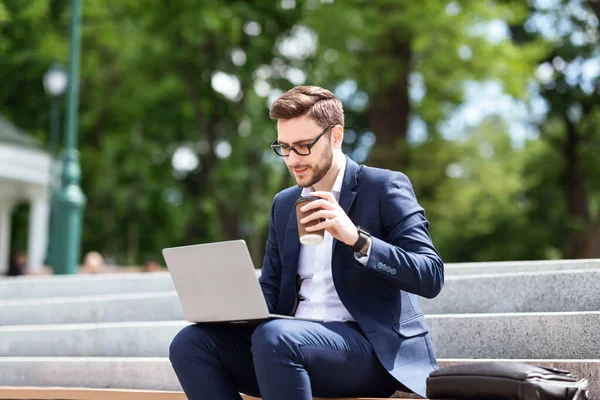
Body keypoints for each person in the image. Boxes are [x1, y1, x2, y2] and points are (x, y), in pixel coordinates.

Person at [169, 86, 444, 400]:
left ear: (335, 136)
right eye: (284, 147)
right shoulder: (284, 204)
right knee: (190, 343)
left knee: (276, 337)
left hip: (371, 350)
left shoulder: (383, 187)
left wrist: (356, 238)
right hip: (288, 346)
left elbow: (430, 275)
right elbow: (271, 288)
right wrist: (230, 308)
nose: (292, 160)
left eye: (302, 146)